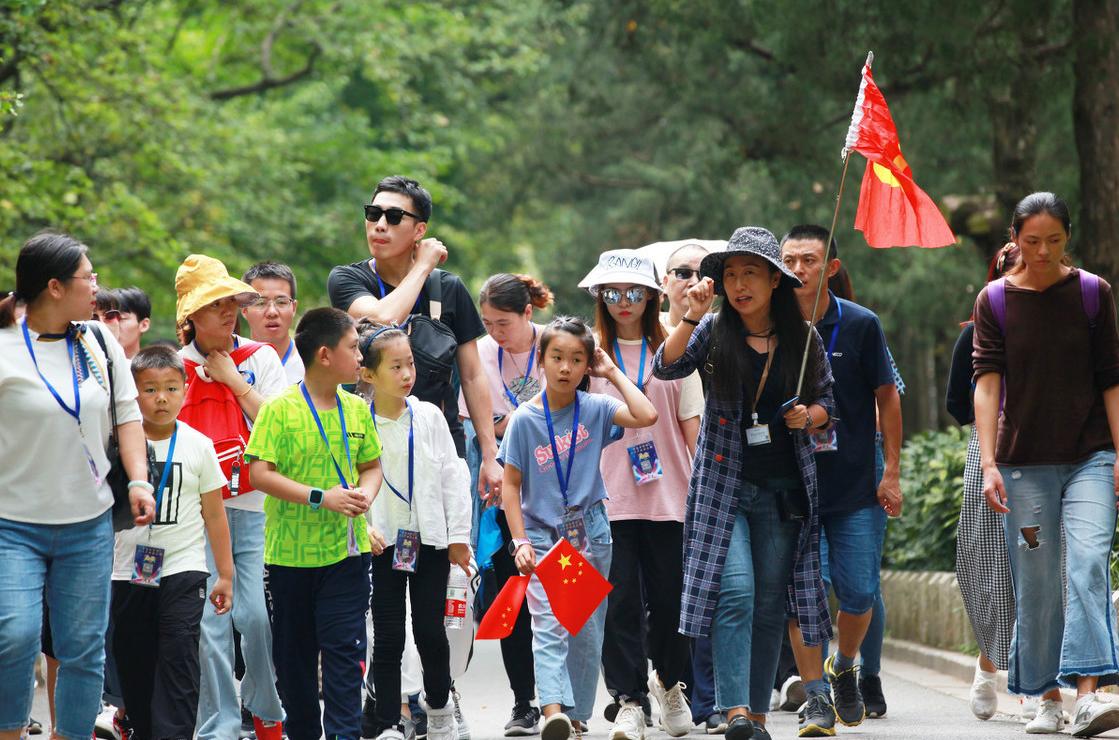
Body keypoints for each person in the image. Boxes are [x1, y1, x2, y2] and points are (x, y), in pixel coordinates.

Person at [654, 226, 835, 740]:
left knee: (770, 603)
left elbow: (830, 405)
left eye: (750, 273)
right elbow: (665, 368)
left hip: (783, 493)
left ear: (775, 280)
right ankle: (734, 710)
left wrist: (811, 417)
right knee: (735, 592)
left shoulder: (805, 339)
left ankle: (755, 715)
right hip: (723, 489)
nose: (738, 284)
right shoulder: (712, 330)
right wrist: (689, 313)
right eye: (730, 274)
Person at [973, 192, 1119, 737]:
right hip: (1023, 465)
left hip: (1090, 457)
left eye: (1053, 241)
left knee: (1087, 565)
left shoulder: (1091, 293)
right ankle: (1046, 695)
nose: (1041, 251)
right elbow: (986, 386)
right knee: (1036, 581)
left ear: (1068, 238)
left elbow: (1111, 376)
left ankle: (1089, 694)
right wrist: (989, 463)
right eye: (1031, 241)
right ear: (1014, 237)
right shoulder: (996, 301)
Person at [0, 232, 155, 740]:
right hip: (12, 523)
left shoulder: (98, 341)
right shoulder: (4, 342)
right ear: (53, 287)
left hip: (87, 521)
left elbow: (127, 416)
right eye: (88, 277)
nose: (97, 287)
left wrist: (138, 480)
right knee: (15, 636)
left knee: (83, 648)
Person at [502, 316, 658, 740]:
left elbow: (647, 414)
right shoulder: (524, 420)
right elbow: (510, 487)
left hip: (588, 531)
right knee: (549, 622)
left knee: (585, 627)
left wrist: (611, 373)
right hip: (541, 533)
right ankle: (551, 708)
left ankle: (573, 713)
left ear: (588, 364)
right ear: (542, 360)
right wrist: (518, 541)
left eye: (577, 359)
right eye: (557, 357)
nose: (566, 367)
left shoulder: (596, 407)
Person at [778, 224, 902, 737]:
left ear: (830, 267)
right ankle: (815, 697)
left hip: (855, 481)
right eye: (790, 260)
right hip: (792, 485)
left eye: (809, 260)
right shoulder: (768, 325)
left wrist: (891, 470)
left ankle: (845, 664)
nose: (799, 269)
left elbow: (887, 396)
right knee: (801, 593)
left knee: (859, 591)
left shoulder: (860, 324)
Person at [578, 250, 701, 740]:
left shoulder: (677, 349)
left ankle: (670, 684)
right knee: (618, 602)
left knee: (673, 603)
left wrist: (704, 492)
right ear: (600, 297)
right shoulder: (586, 355)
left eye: (633, 293)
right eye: (613, 293)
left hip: (671, 495)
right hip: (605, 499)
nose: (623, 302)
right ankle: (628, 699)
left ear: (651, 295)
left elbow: (694, 426)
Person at [245, 307, 384, 740]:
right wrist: (323, 498)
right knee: (296, 660)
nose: (360, 357)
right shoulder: (279, 410)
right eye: (353, 348)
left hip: (347, 553)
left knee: (344, 652)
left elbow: (372, 466)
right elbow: (259, 474)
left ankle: (344, 734)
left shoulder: (357, 408)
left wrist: (366, 493)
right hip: (289, 559)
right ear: (325, 355)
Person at [327, 175, 503, 503]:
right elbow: (380, 319)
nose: (380, 225)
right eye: (372, 214)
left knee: (446, 549)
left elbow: (473, 375)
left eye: (394, 217)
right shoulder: (348, 278)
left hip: (438, 446)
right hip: (367, 449)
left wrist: (490, 456)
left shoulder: (449, 289)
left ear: (419, 230)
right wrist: (422, 266)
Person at [175, 254, 287, 740]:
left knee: (256, 618)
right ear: (190, 318)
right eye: (214, 304)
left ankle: (264, 706)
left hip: (256, 508)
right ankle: (218, 724)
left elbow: (282, 430)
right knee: (209, 624)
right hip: (198, 514)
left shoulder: (259, 357)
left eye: (230, 302)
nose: (226, 312)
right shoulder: (172, 368)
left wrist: (232, 381)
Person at [110, 345, 235, 740]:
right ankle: (144, 730)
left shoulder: (198, 444)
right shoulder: (117, 444)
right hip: (125, 568)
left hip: (184, 566)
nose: (161, 398)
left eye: (170, 388)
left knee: (180, 652)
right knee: (134, 656)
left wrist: (226, 575)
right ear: (133, 394)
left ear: (185, 390)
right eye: (149, 390)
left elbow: (214, 514)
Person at [358, 321, 473, 740]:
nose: (407, 375)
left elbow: (452, 475)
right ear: (368, 374)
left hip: (430, 543)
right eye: (395, 367)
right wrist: (362, 527)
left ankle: (439, 708)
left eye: (410, 364)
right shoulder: (357, 421)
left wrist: (458, 537)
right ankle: (390, 720)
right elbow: (350, 481)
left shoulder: (428, 416)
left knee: (430, 631)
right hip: (382, 543)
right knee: (387, 636)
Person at [461, 272, 552, 736]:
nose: (495, 332)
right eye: (487, 323)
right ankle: (524, 701)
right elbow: (478, 422)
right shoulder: (479, 355)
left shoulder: (553, 345)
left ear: (528, 314)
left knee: (562, 598)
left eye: (503, 323)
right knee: (512, 598)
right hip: (502, 495)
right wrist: (513, 422)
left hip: (557, 495)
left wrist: (509, 421)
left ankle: (563, 701)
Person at [946, 243, 1020, 721]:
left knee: (1041, 565)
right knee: (983, 557)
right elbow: (958, 401)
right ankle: (988, 662)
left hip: (1052, 447)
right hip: (989, 449)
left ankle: (1043, 685)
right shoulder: (975, 333)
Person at [242, 261, 304, 385]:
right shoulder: (232, 364)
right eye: (260, 303)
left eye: (281, 302)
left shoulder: (313, 363)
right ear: (244, 310)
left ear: (294, 308)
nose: (272, 312)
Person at [660, 243, 710, 328]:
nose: (695, 282)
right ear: (665, 283)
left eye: (703, 275)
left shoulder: (728, 329)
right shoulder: (645, 329)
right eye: (683, 273)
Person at [114, 287, 152, 359]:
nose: (114, 324)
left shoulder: (152, 368)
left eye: (121, 318)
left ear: (144, 325)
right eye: (109, 317)